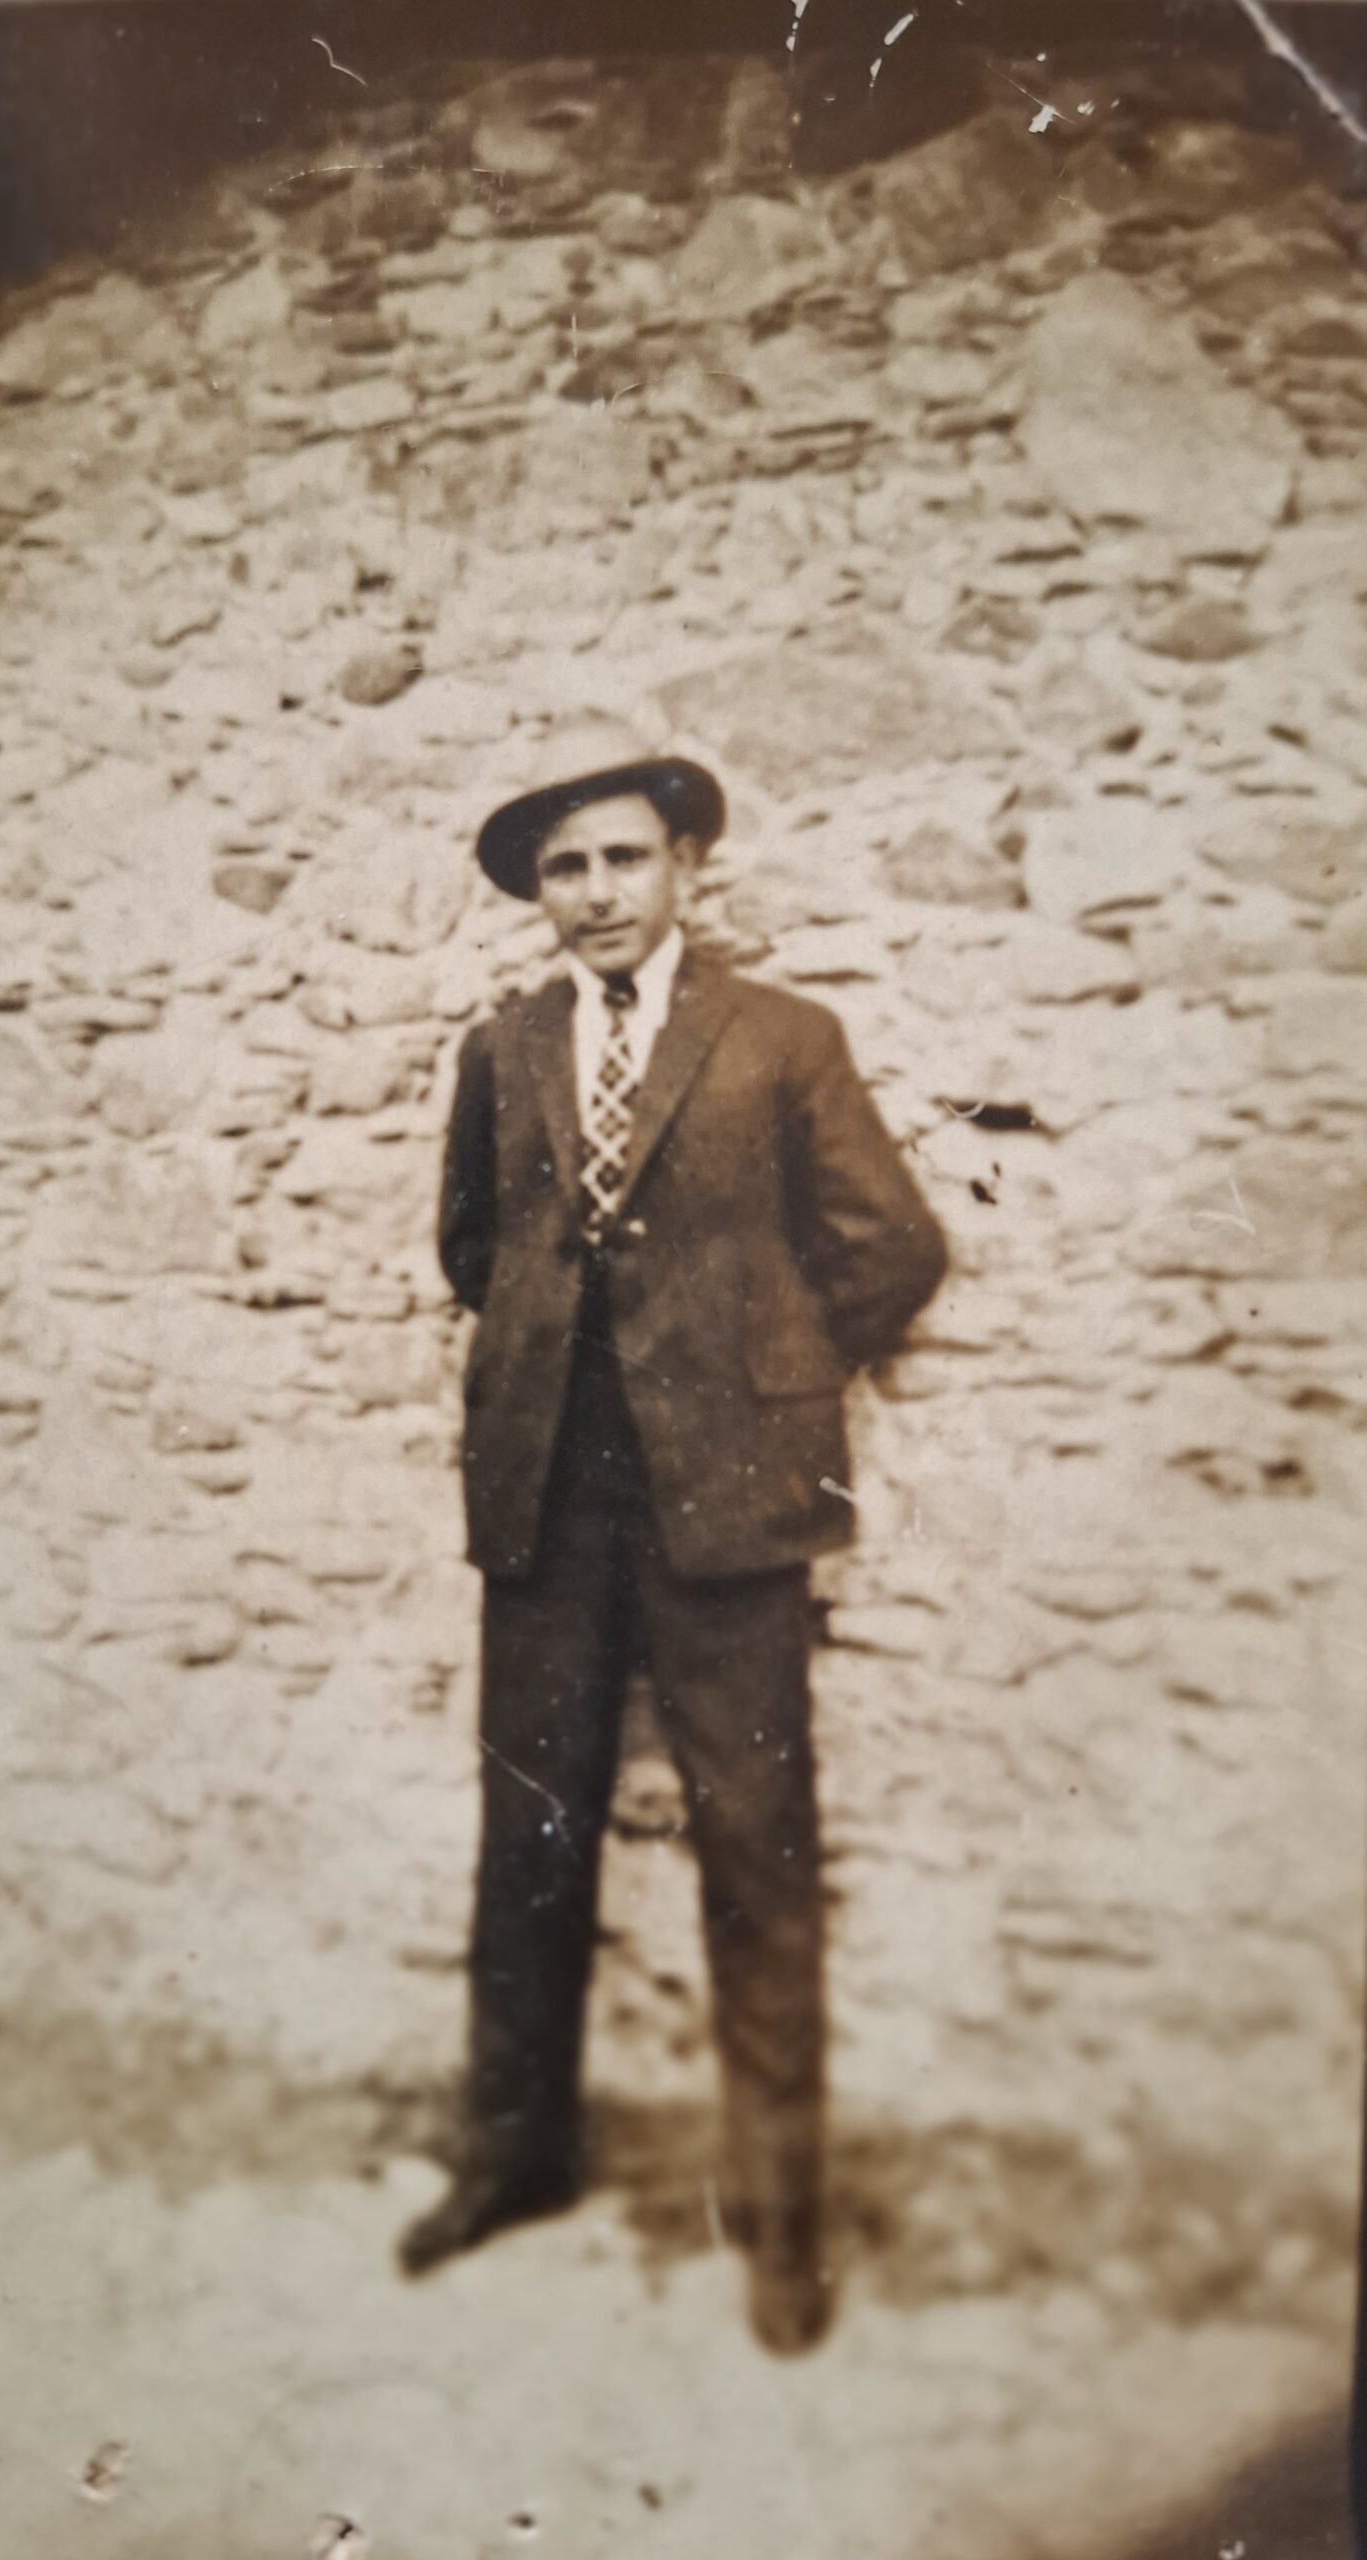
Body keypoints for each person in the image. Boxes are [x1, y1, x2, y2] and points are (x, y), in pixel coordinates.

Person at [398, 722, 948, 2353]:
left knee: (756, 1852)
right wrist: (551, 1374)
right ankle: (515, 2157)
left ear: (685, 866)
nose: (594, 892)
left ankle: (780, 2222)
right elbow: (472, 1248)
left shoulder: (781, 1035)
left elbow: (890, 1244)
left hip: (729, 1509)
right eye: (563, 869)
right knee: (528, 1839)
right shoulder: (503, 1048)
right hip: (547, 1505)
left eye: (623, 858)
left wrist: (760, 1377)